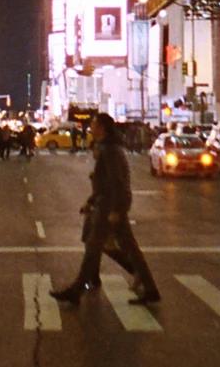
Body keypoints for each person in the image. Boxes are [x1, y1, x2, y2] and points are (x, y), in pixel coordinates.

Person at [51, 113, 161, 307]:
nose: (90, 128)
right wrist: (91, 201)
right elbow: (104, 182)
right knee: (127, 248)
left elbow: (117, 182)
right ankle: (150, 288)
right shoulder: (108, 147)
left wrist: (117, 209)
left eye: (93, 124)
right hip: (106, 204)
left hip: (109, 206)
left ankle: (77, 290)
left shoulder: (110, 150)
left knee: (94, 247)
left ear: (102, 127)